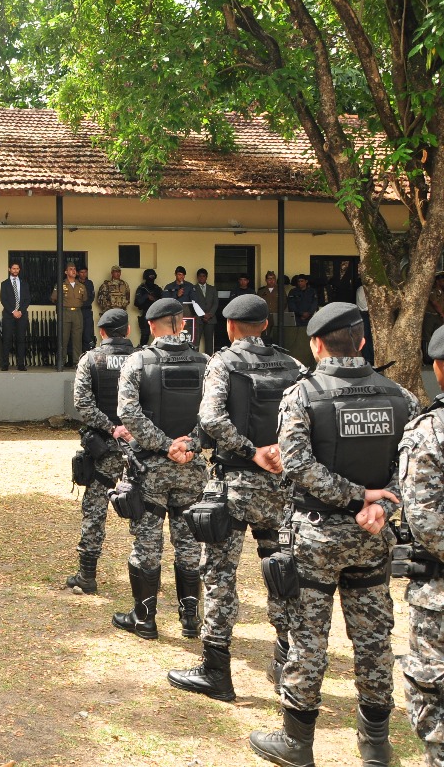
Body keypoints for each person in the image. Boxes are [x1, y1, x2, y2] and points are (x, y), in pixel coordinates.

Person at [249, 302, 418, 767]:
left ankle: (298, 743)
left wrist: (355, 495)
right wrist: (379, 503)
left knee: (307, 637)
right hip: (373, 539)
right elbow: (413, 474)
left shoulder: (302, 396)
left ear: (317, 345)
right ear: (362, 343)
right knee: (374, 640)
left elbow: (299, 466)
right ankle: (377, 746)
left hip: (317, 537)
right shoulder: (402, 397)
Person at [166, 295, 301, 703]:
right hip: (279, 488)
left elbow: (211, 417)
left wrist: (249, 450)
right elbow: (306, 415)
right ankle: (285, 663)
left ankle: (216, 671)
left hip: (235, 485)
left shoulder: (223, 362)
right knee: (281, 572)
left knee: (220, 574)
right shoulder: (292, 364)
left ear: (230, 326)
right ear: (265, 325)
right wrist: (278, 449)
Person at [112, 298, 208, 642]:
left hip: (150, 468)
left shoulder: (139, 361)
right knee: (189, 545)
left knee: (147, 544)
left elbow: (128, 414)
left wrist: (165, 444)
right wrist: (190, 445)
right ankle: (190, 619)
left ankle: (145, 619)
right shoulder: (205, 363)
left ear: (151, 326)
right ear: (182, 325)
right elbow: (214, 416)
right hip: (191, 469)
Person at [397, 325, 444, 767]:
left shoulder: (429, 432)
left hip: (439, 597)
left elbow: (425, 522)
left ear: (438, 369)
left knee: (432, 689)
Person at [66, 309, 135, 594]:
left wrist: (110, 428)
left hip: (103, 448)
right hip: (139, 448)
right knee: (146, 512)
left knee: (95, 509)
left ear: (102, 332)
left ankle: (87, 575)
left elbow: (82, 403)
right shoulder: (143, 358)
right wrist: (131, 430)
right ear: (128, 331)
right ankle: (145, 577)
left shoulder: (91, 359)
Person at [52, 262, 89, 367]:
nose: (73, 271)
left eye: (74, 269)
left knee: (77, 338)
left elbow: (85, 299)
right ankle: (61, 362)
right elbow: (54, 298)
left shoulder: (81, 286)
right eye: (71, 269)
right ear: (66, 272)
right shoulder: (61, 285)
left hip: (77, 312)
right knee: (63, 338)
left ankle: (77, 362)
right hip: (65, 312)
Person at [0, 261, 31, 371]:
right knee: (7, 339)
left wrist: (20, 311)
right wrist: (13, 311)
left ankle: (21, 364)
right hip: (9, 315)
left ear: (19, 270)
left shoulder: (24, 283)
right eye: (13, 268)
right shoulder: (4, 284)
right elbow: (3, 300)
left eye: (17, 269)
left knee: (21, 339)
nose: (15, 270)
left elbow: (27, 299)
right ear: (9, 269)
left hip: (21, 315)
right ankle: (5, 364)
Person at [94, 265, 131, 332]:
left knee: (121, 332)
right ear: (112, 273)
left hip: (121, 313)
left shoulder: (125, 284)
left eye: (119, 272)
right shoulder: (106, 285)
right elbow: (100, 300)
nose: (118, 273)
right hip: (110, 313)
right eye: (115, 272)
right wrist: (109, 308)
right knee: (110, 332)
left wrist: (122, 305)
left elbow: (128, 298)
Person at [192, 268, 218, 354]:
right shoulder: (193, 289)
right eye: (200, 276)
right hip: (198, 319)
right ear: (197, 277)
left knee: (209, 343)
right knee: (195, 342)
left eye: (203, 276)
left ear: (206, 277)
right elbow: (193, 303)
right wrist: (202, 315)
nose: (202, 278)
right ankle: (195, 360)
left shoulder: (212, 289)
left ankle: (209, 362)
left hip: (210, 319)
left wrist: (209, 315)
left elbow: (215, 303)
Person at [134, 269, 163, 345]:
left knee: (159, 335)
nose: (151, 278)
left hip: (157, 314)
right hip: (146, 314)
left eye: (153, 276)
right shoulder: (142, 289)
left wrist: (155, 299)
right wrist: (146, 296)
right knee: (145, 335)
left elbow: (162, 302)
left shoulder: (157, 289)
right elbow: (137, 302)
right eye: (150, 276)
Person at [259, 271, 284, 344]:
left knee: (277, 335)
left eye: (273, 278)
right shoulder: (261, 291)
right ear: (266, 280)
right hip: (265, 317)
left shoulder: (280, 290)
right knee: (265, 336)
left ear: (275, 280)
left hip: (277, 316)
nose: (271, 280)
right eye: (269, 279)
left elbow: (284, 303)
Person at [424, 272, 444, 363]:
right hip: (430, 316)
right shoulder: (432, 291)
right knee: (427, 337)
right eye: (442, 280)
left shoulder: (442, 292)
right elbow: (435, 303)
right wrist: (442, 313)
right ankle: (428, 358)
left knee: (439, 337)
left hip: (438, 317)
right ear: (437, 281)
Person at [356, 281, 375, 365]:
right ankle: (368, 357)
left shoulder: (362, 289)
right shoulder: (362, 289)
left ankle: (370, 357)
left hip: (365, 313)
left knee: (369, 337)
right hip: (365, 314)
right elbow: (364, 304)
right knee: (366, 336)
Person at [78, 266, 96, 352]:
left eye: (85, 272)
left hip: (87, 311)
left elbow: (91, 297)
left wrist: (84, 303)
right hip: (78, 310)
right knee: (77, 334)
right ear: (78, 273)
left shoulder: (89, 283)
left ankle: (87, 354)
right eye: (81, 272)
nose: (83, 274)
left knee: (87, 333)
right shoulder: (75, 283)